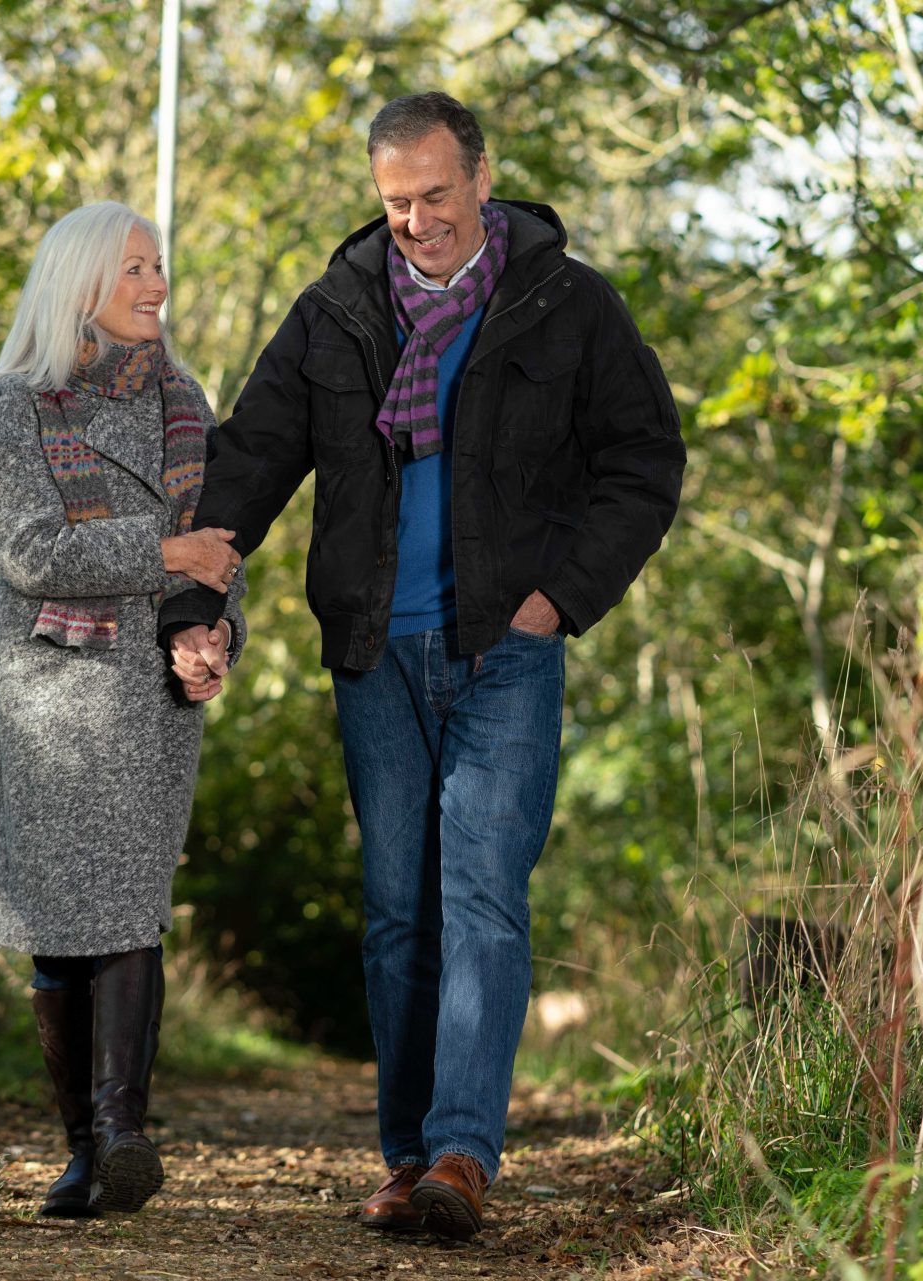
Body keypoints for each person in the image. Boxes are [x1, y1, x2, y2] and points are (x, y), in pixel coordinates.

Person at [161, 92, 686, 1241]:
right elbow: (251, 457)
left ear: (483, 178)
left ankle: (461, 1153)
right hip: (373, 646)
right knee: (399, 912)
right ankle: (406, 1158)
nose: (416, 221)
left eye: (436, 195)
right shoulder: (337, 311)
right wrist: (198, 596)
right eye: (396, 202)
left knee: (485, 898)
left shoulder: (566, 304)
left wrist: (561, 600)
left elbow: (645, 464)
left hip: (508, 645)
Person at [0, 201, 242, 1218]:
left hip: (148, 696)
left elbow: (218, 542)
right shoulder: (17, 406)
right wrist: (165, 555)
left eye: (158, 263)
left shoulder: (185, 400)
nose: (155, 283)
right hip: (47, 700)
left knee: (128, 909)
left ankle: (123, 1132)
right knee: (58, 927)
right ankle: (83, 1148)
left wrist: (213, 634)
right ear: (79, 283)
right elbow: (32, 552)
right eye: (133, 268)